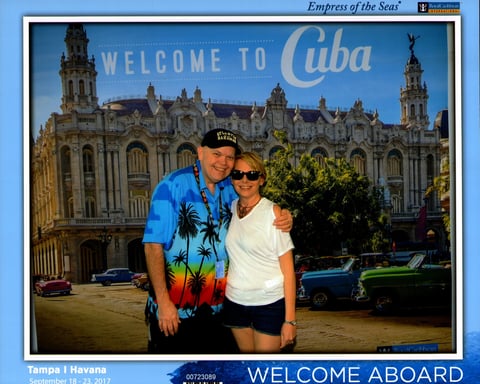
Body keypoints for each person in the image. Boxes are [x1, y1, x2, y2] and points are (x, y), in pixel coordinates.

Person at [143, 128, 292, 354]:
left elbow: (255, 203)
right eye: (217, 154)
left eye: (229, 157)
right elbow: (152, 246)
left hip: (219, 313)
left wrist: (283, 214)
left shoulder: (229, 188)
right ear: (200, 153)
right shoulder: (172, 186)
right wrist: (164, 303)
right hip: (176, 313)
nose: (223, 162)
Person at [223, 152, 297, 353]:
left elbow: (289, 272)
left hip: (269, 304)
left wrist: (290, 321)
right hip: (235, 302)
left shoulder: (273, 213)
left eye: (252, 175)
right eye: (238, 174)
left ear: (261, 179)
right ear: (232, 179)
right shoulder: (231, 207)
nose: (244, 180)